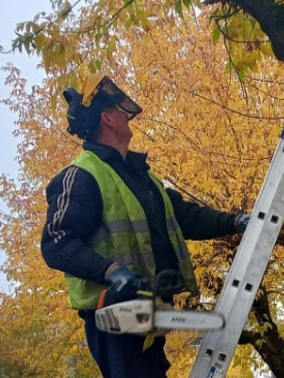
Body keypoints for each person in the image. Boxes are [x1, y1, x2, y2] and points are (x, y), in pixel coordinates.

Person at [40, 73, 249, 378]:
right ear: (107, 118)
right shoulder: (82, 175)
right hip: (113, 313)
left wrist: (234, 222)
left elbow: (182, 216)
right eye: (121, 112)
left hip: (147, 309)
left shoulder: (141, 176)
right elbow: (56, 242)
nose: (128, 119)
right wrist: (111, 272)